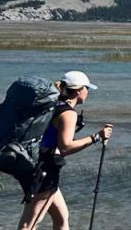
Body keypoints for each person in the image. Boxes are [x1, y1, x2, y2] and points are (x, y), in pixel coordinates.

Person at [16, 71, 113, 230]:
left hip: (34, 164)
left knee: (61, 218)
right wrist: (97, 137)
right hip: (44, 170)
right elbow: (66, 147)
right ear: (79, 90)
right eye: (87, 88)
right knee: (30, 224)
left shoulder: (52, 105)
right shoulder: (68, 113)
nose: (88, 92)